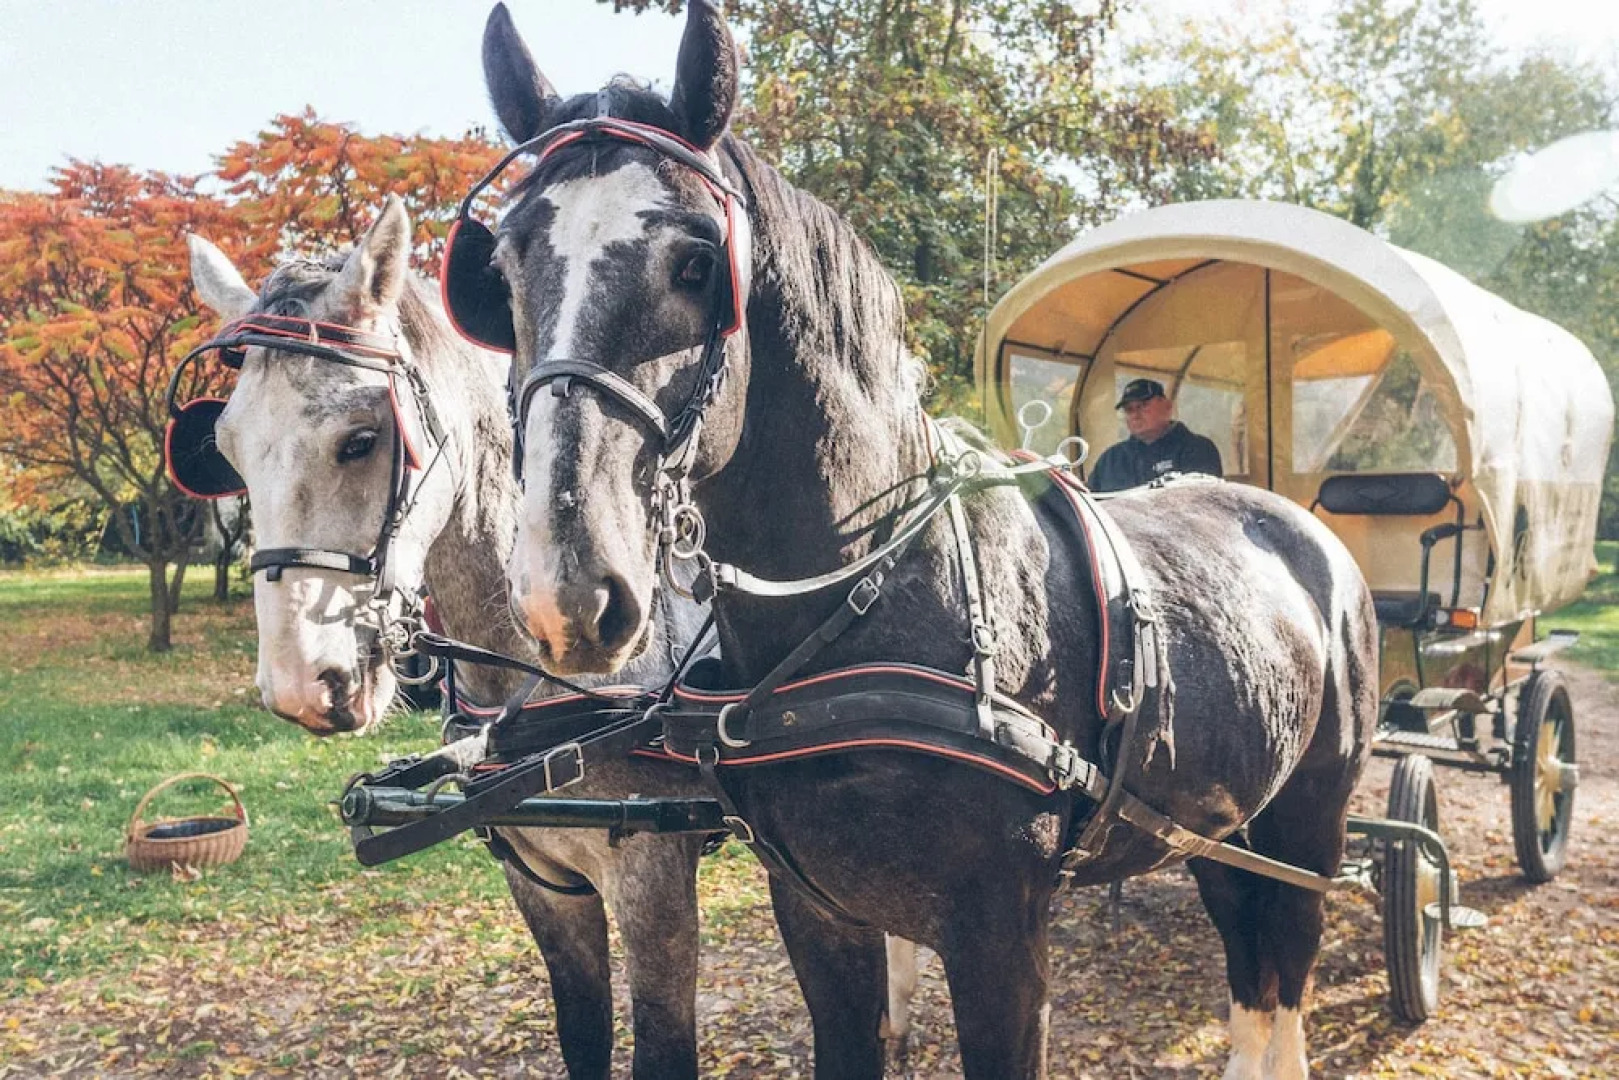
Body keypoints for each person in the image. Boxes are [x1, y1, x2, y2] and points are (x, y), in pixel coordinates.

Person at [1088, 378, 1223, 492]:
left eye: (1143, 406)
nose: (1135, 415)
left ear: (1168, 407)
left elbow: (1204, 506)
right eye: (1129, 409)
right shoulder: (1110, 460)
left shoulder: (1197, 449)